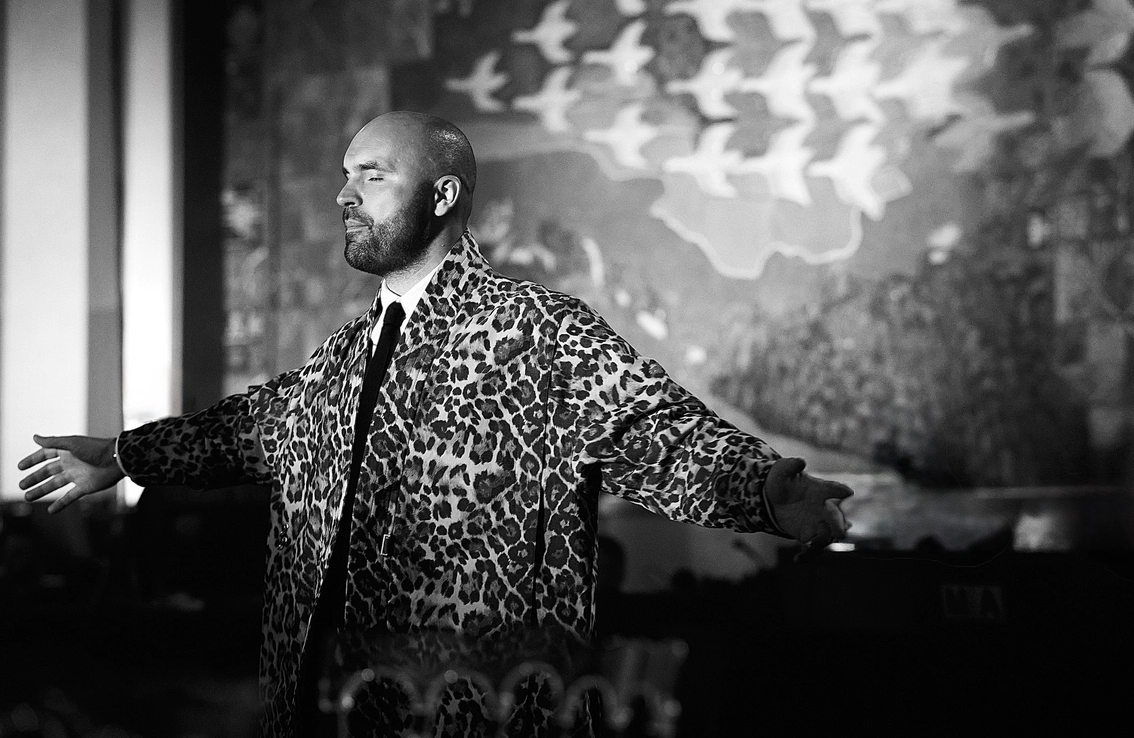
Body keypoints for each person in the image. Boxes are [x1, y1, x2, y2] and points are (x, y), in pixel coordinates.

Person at [18, 111, 853, 737]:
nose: (344, 194)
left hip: (474, 709)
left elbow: (656, 432)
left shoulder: (536, 331)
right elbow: (246, 428)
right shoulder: (342, 357)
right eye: (345, 174)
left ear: (442, 194)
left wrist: (765, 491)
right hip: (323, 705)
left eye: (372, 176)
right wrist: (123, 454)